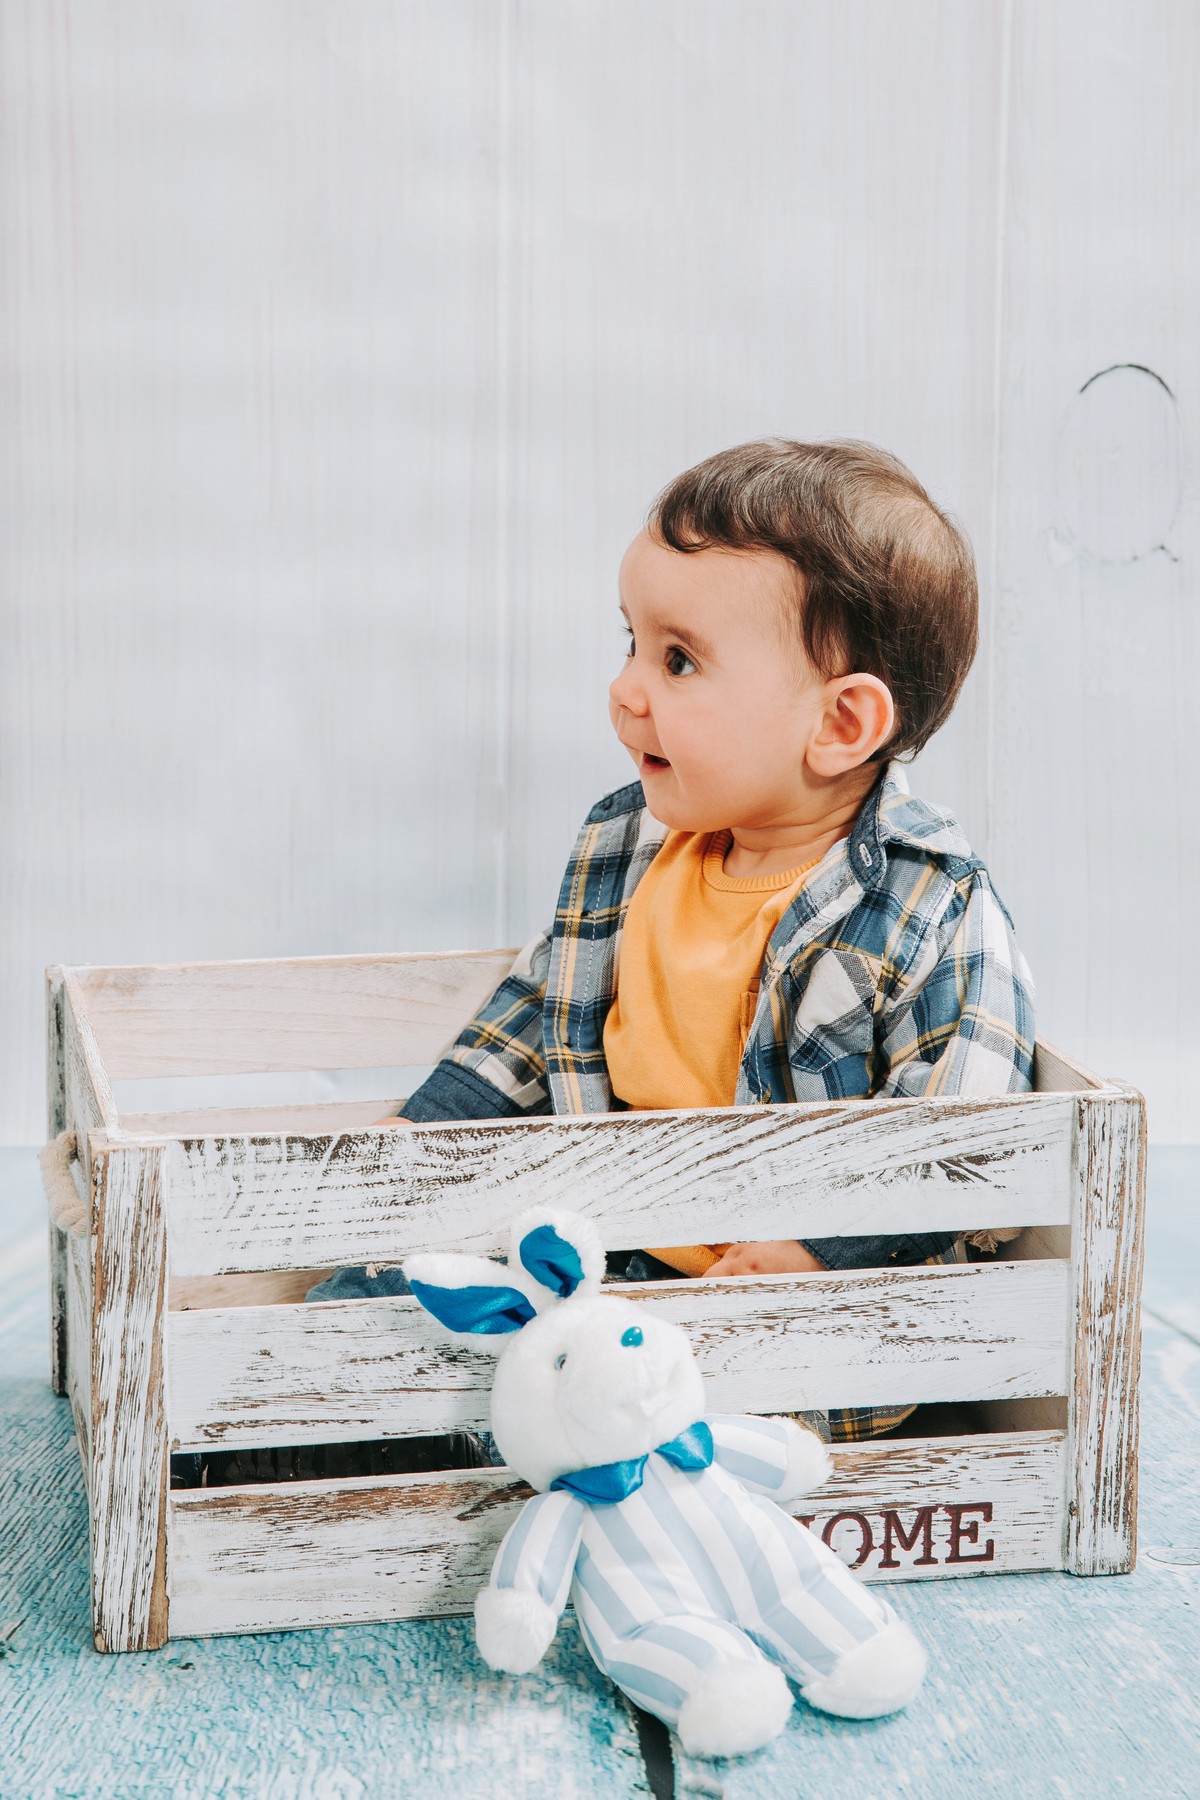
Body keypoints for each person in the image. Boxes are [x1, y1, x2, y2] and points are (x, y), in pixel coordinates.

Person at [309, 438, 1035, 1444]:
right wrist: (423, 1138)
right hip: (605, 1253)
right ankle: (300, 1417)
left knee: (632, 1416)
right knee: (386, 1293)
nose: (626, 690)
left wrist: (817, 1252)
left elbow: (959, 1130)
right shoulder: (632, 849)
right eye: (632, 643)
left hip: (795, 1315)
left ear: (840, 724)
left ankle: (501, 1441)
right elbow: (532, 1022)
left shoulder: (927, 904)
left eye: (678, 660)